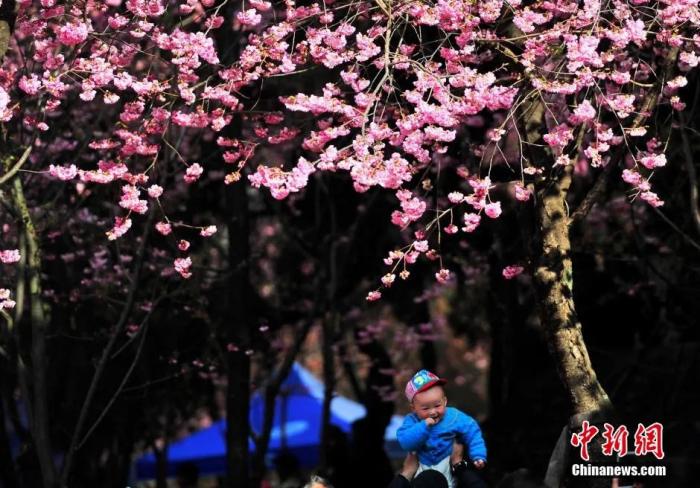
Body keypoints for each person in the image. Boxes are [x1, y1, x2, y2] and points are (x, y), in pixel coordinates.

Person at [397, 370, 487, 488]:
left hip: (448, 463)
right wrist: (424, 426)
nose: (433, 412)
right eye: (425, 408)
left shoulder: (454, 416)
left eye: (437, 405)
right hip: (422, 466)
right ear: (413, 408)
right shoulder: (412, 421)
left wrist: (478, 455)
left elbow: (472, 431)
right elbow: (405, 442)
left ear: (445, 401)